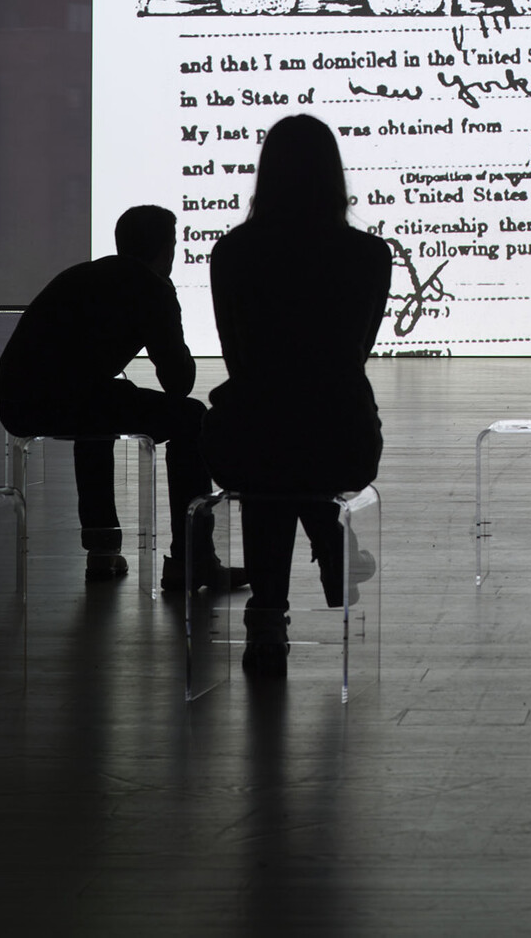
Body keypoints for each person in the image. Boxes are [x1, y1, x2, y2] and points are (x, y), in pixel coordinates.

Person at [203, 114, 388, 678]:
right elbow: (354, 353)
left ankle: (268, 615)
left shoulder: (232, 252)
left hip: (251, 438)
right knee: (302, 447)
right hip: (343, 437)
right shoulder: (370, 254)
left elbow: (235, 354)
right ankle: (334, 547)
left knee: (270, 454)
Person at [0, 206, 243, 593]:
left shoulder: (83, 274)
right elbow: (179, 383)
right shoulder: (151, 288)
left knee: (100, 410)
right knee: (191, 417)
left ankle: (103, 550)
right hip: (73, 399)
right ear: (166, 250)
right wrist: (169, 307)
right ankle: (192, 559)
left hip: (18, 403)